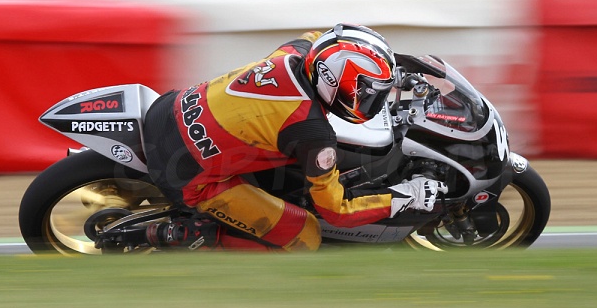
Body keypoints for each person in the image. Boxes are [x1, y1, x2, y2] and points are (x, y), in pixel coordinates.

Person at [141, 23, 447, 252]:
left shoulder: (297, 53)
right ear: (334, 82)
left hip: (170, 108)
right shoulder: (312, 134)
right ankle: (195, 236)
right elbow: (337, 211)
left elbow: (323, 38)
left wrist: (393, 65)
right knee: (306, 236)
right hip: (187, 175)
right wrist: (406, 196)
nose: (372, 103)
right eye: (368, 94)